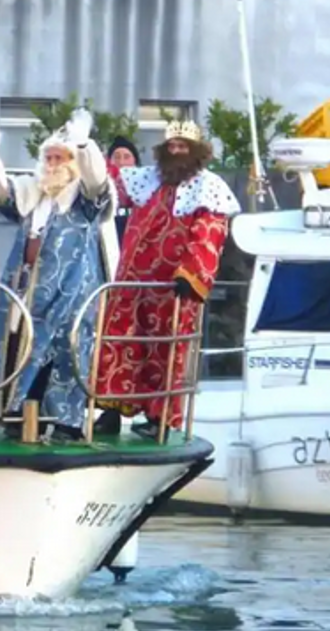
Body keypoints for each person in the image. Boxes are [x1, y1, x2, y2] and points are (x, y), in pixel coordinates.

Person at [0, 110, 119, 442]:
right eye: (48, 157)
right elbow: (0, 194)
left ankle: (66, 423)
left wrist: (84, 145)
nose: (52, 164)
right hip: (25, 290)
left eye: (60, 157)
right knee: (19, 349)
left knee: (65, 353)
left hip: (70, 293)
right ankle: (20, 415)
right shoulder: (33, 194)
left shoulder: (84, 200)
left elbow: (98, 182)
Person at [94, 120, 241, 439]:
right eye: (171, 146)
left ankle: (159, 418)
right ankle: (111, 410)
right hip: (132, 282)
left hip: (171, 287)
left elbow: (209, 234)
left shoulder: (208, 187)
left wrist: (191, 273)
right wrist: (86, 148)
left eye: (182, 147)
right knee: (121, 341)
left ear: (195, 152)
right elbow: (111, 182)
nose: (176, 152)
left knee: (166, 353)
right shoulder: (147, 179)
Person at [107, 136, 140, 240]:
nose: (121, 162)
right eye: (116, 157)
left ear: (135, 161)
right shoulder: (104, 183)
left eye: (126, 157)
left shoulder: (143, 184)